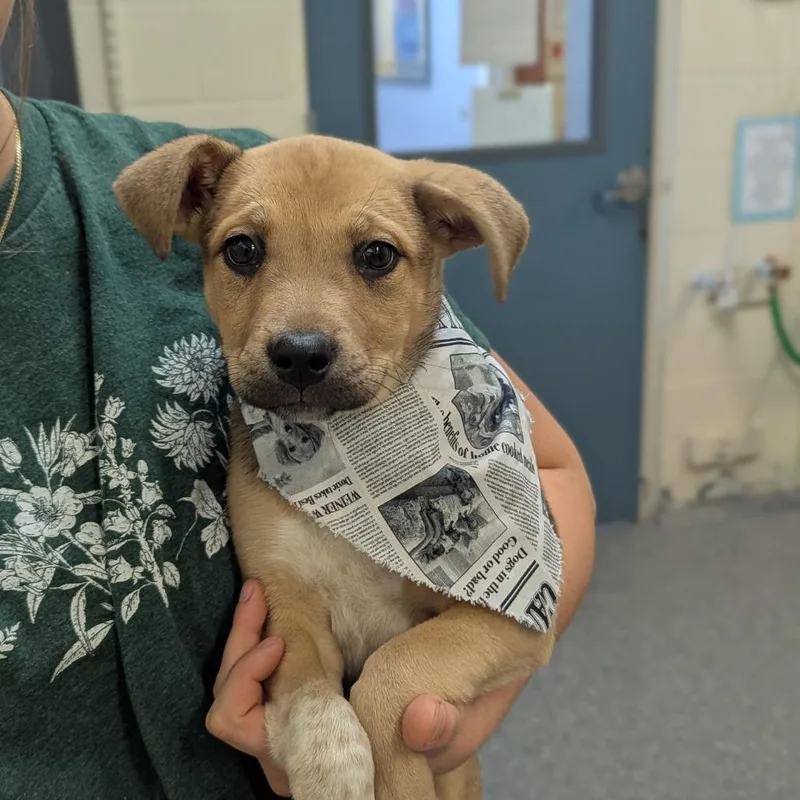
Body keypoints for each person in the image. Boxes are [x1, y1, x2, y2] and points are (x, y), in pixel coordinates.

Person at [0, 2, 596, 797]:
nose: (302, 334)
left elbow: (552, 492)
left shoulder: (275, 170)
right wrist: (309, 709)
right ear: (190, 228)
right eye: (245, 252)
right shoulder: (197, 186)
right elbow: (296, 625)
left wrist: (416, 711)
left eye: (374, 257)